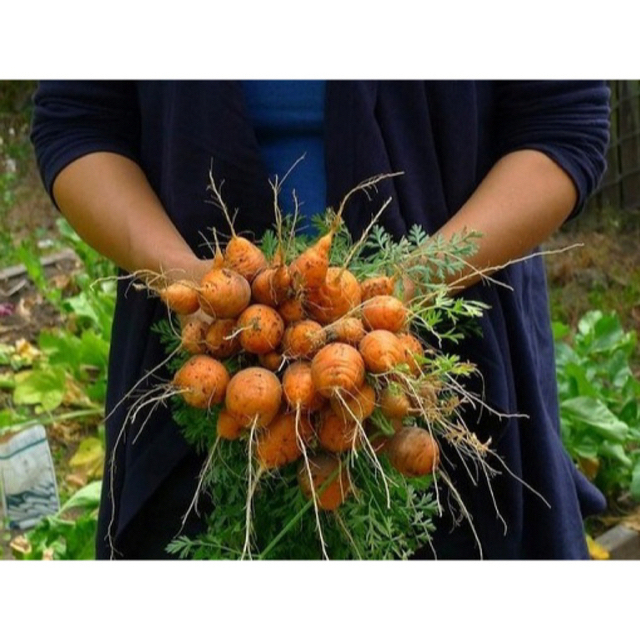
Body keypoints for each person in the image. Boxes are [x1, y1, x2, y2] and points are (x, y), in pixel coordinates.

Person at [30, 80, 610, 560]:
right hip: (196, 369)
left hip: (447, 377)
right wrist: (184, 275)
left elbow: (561, 123)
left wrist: (411, 284)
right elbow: (79, 121)